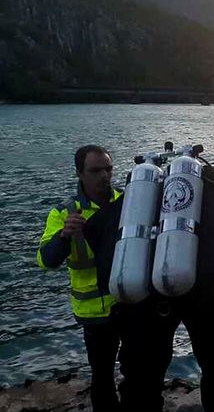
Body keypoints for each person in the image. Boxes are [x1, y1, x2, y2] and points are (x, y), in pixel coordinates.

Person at [89, 157, 214, 411]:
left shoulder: (141, 192)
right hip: (208, 294)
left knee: (141, 377)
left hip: (147, 293)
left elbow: (94, 228)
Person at [37, 145, 123, 411]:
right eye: (95, 170)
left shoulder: (130, 200)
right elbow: (46, 261)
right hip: (94, 313)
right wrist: (64, 237)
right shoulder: (64, 213)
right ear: (79, 173)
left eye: (108, 169)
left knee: (140, 370)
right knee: (103, 376)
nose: (104, 176)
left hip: (131, 302)